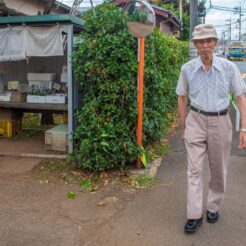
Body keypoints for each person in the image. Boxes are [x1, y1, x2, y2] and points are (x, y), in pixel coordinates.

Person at [176, 24, 246, 234]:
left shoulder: (228, 68)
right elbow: (182, 97)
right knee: (194, 171)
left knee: (218, 170)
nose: (205, 45)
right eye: (200, 41)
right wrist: (185, 125)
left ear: (215, 42)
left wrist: (244, 128)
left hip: (221, 121)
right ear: (195, 44)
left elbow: (240, 98)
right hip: (196, 119)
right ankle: (194, 215)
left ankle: (213, 207)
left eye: (209, 40)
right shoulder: (187, 69)